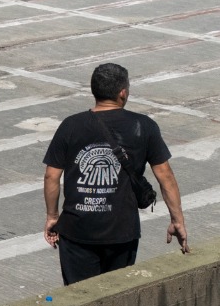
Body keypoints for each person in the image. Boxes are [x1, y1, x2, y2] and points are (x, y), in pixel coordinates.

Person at [43, 63, 189, 285]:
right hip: (121, 231)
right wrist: (177, 220)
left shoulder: (70, 125)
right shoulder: (144, 126)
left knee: (79, 298)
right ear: (123, 92)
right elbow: (165, 176)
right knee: (117, 295)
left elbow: (51, 176)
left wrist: (52, 217)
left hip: (77, 230)